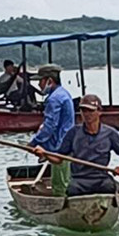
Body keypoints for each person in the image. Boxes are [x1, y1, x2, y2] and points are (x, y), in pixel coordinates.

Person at [35, 94, 119, 196]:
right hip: (79, 180)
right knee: (72, 189)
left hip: (101, 178)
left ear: (99, 112)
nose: (87, 114)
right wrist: (44, 153)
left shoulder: (110, 133)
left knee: (109, 187)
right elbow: (59, 159)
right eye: (83, 110)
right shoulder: (73, 132)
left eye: (91, 111)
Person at [28, 64, 76, 195]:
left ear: (49, 80)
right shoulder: (63, 93)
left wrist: (33, 143)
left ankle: (61, 207)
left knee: (60, 184)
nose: (39, 85)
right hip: (67, 144)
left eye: (40, 81)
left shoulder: (54, 99)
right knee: (65, 178)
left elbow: (50, 126)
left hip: (59, 147)